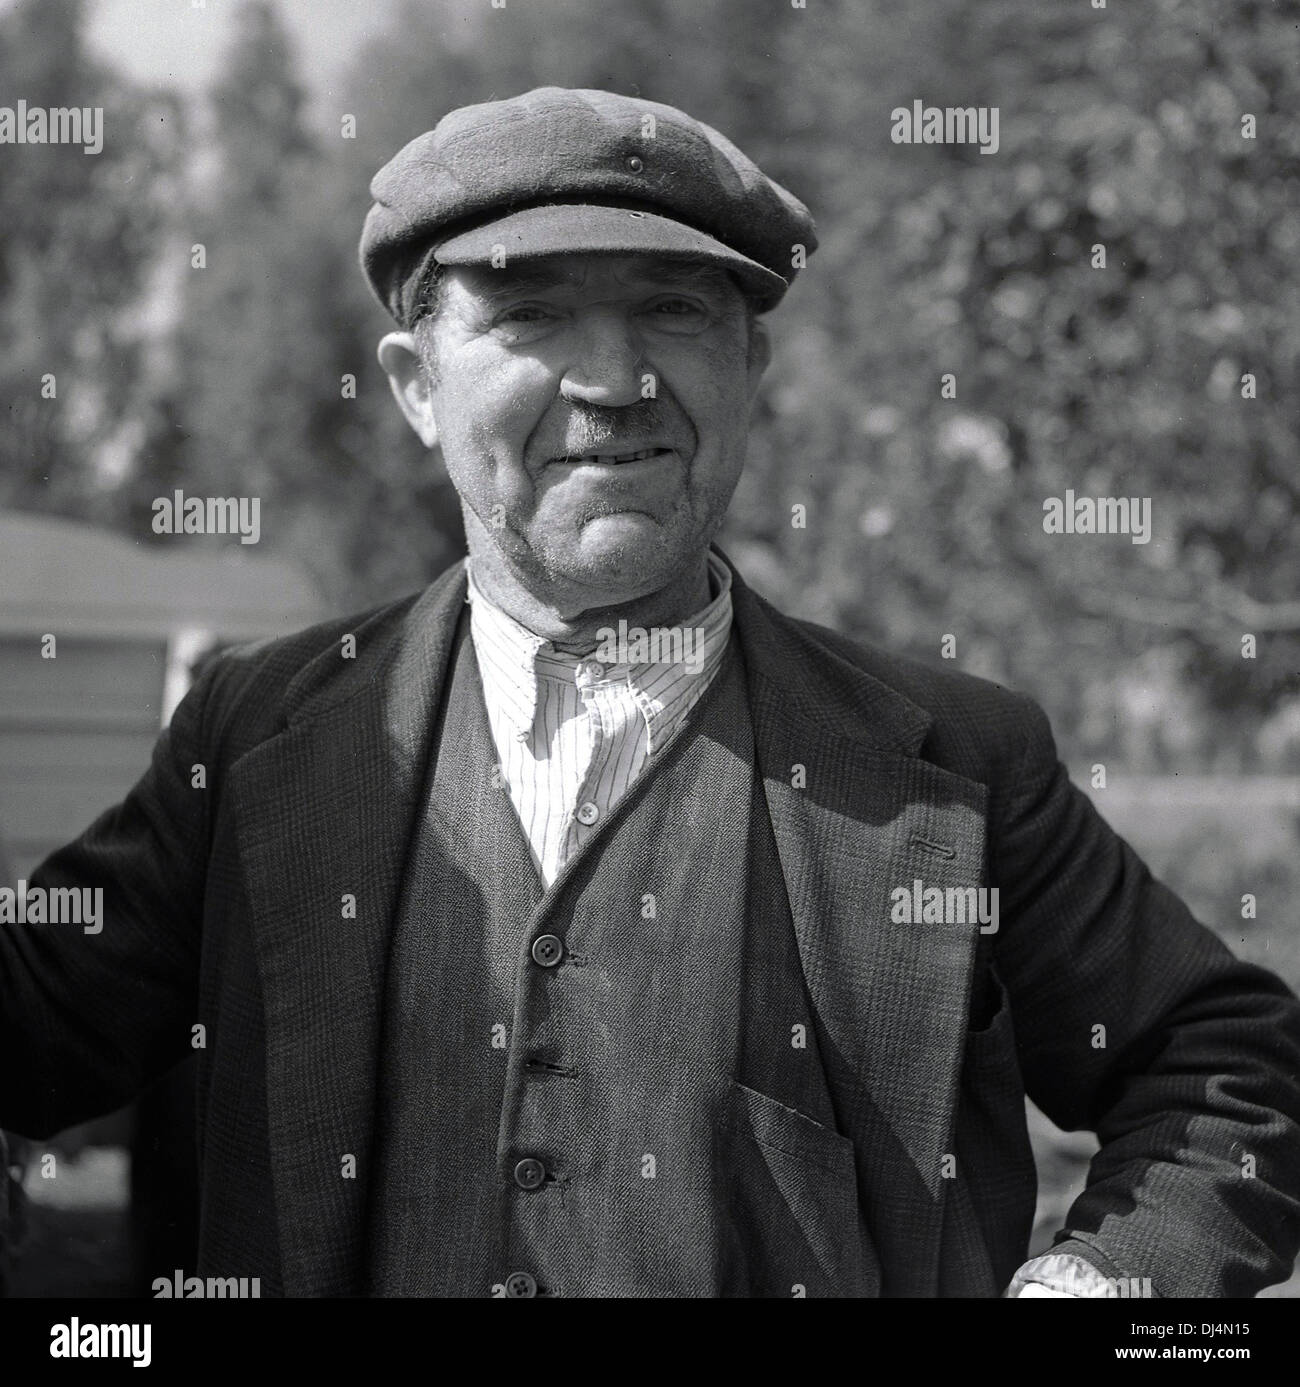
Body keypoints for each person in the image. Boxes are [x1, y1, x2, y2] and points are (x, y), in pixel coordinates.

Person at [3, 86, 1299, 1299]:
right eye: (531, 316)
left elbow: (1234, 1073)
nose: (614, 383)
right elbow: (34, 1028)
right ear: (413, 387)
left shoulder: (957, 760)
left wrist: (1097, 1293)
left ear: (750, 375)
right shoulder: (253, 738)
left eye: (676, 311)